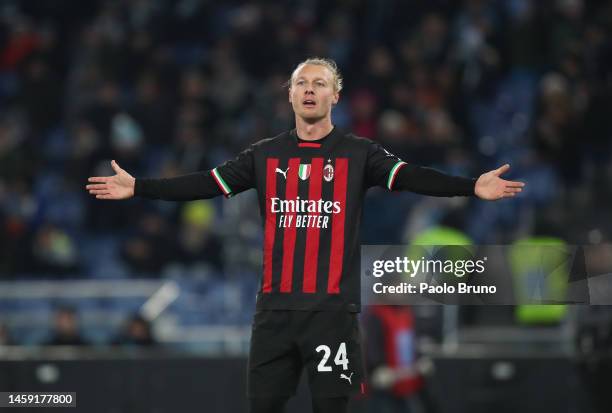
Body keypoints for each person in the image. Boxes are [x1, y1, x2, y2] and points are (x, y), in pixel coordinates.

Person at [86, 58, 525, 413]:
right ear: (291, 95)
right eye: (301, 82)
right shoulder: (264, 155)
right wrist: (140, 187)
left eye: (319, 82)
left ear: (335, 95)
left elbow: (412, 177)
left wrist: (471, 186)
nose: (310, 89)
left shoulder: (360, 153)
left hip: (332, 314)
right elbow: (204, 183)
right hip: (274, 314)